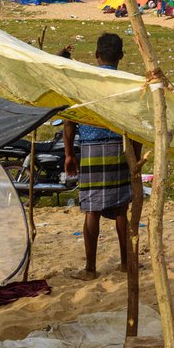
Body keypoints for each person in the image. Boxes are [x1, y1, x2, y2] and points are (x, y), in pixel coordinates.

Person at [63, 34, 138, 281]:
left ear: (97, 55)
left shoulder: (86, 83)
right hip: (119, 147)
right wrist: (134, 158)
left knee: (92, 210)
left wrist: (69, 154)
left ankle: (91, 269)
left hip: (91, 149)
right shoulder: (126, 84)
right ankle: (126, 264)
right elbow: (135, 124)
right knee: (120, 210)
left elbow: (70, 122)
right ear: (121, 57)